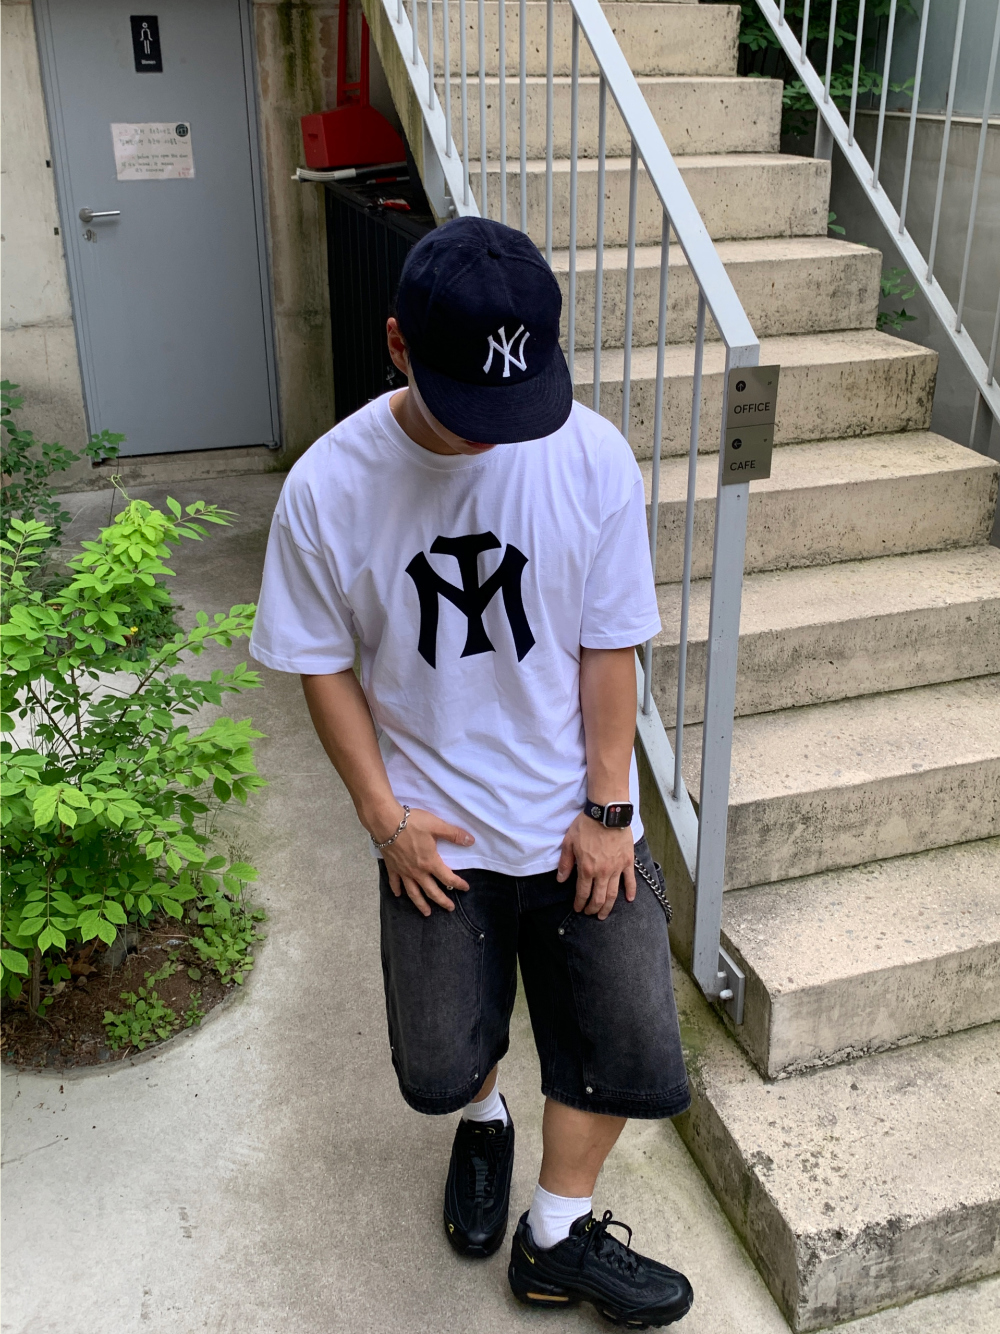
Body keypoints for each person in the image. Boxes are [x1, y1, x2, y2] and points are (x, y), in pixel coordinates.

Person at [249, 216, 693, 1327]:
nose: (498, 436)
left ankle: (555, 1234)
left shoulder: (589, 454)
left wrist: (608, 806)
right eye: (471, 408)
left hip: (576, 815)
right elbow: (317, 661)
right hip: (433, 829)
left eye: (518, 401)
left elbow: (609, 643)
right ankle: (484, 1124)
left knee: (624, 1042)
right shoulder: (328, 486)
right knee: (445, 1057)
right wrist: (384, 818)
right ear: (397, 344)